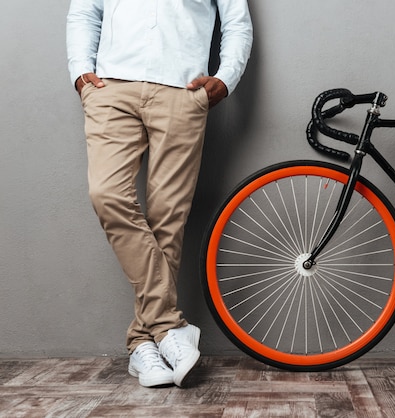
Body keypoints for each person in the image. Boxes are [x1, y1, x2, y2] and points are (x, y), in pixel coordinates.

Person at [66, 0, 253, 388]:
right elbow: (85, 11)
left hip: (183, 91)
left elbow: (237, 21)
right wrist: (80, 73)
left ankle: (142, 344)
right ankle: (169, 328)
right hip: (110, 88)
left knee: (167, 218)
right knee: (107, 194)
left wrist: (226, 78)